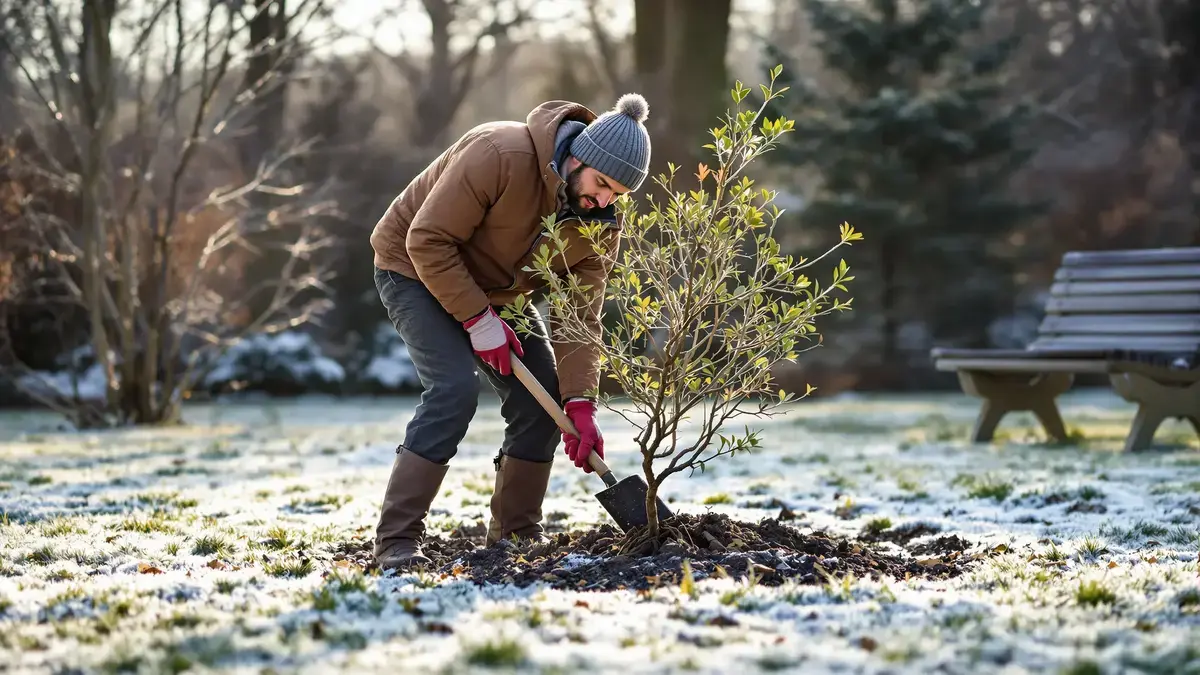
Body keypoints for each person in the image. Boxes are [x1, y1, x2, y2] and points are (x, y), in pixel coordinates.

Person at [368, 93, 653, 569]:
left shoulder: (599, 223)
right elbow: (427, 240)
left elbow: (580, 315)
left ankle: (514, 539)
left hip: (500, 293)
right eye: (602, 183)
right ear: (577, 155)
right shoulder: (501, 154)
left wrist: (580, 402)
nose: (604, 201)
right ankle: (396, 541)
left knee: (542, 401)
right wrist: (479, 322)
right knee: (453, 391)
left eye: (617, 195)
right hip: (414, 269)